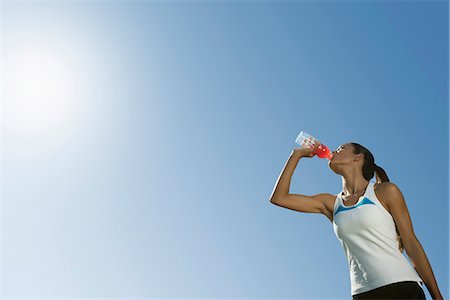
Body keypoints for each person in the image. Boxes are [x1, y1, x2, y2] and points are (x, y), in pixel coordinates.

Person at [269, 141, 443, 300]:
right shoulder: (330, 203)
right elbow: (279, 198)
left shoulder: (385, 191)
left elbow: (411, 244)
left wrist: (437, 297)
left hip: (401, 286)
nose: (334, 151)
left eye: (341, 149)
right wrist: (296, 155)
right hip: (362, 293)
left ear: (358, 157)